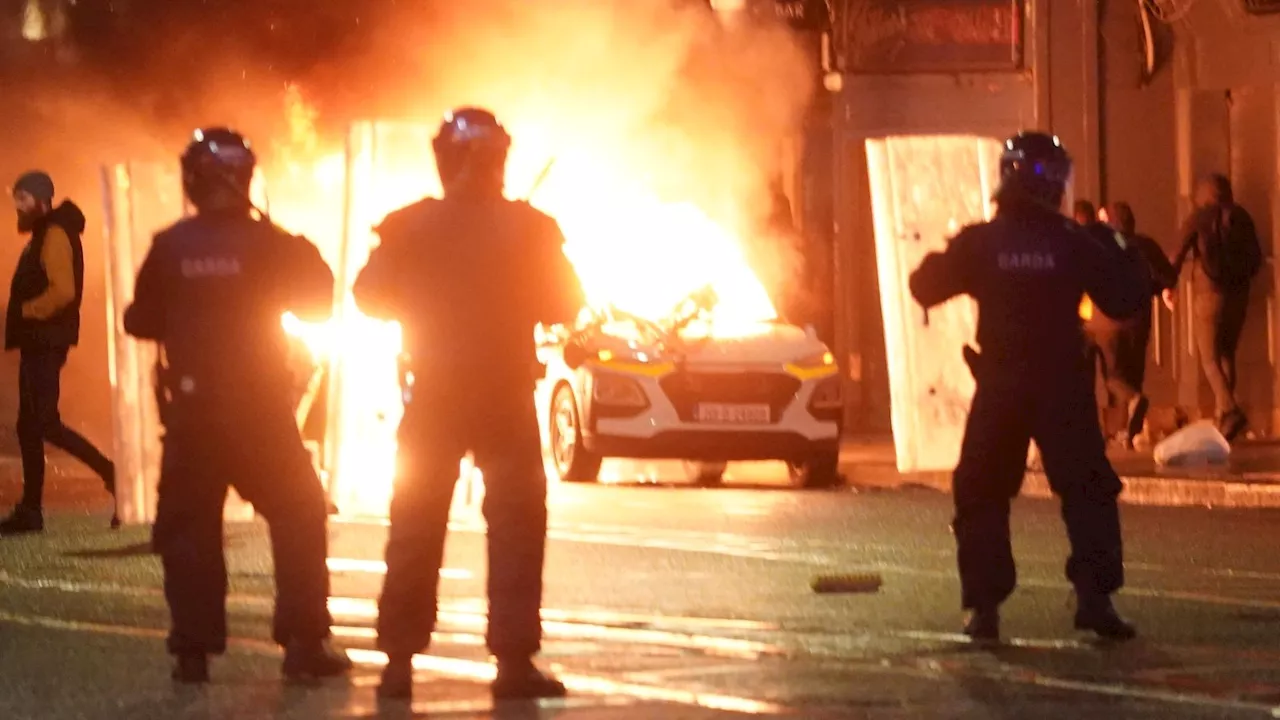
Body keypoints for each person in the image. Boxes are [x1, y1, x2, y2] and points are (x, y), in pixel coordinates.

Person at [354, 108, 583, 701]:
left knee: (416, 522)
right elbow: (565, 302)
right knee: (515, 526)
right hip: (504, 396)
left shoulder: (410, 226)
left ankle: (398, 663)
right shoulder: (530, 228)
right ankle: (512, 663)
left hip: (433, 395)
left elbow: (369, 297)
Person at [123, 128, 351, 684]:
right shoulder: (271, 243)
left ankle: (192, 653)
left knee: (189, 528)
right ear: (245, 175)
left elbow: (139, 320)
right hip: (260, 412)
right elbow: (320, 304)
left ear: (195, 178)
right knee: (299, 512)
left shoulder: (170, 245)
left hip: (193, 413)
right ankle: (303, 643)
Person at [909, 131, 1145, 643]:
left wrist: (948, 252)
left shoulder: (981, 242)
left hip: (1002, 385)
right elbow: (1126, 297)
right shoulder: (1075, 241)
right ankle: (1095, 600)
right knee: (1087, 492)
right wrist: (1118, 244)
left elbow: (923, 285)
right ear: (1056, 183)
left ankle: (984, 608)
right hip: (1062, 385)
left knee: (981, 491)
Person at [1, 171, 116, 535]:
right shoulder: (44, 233)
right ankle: (30, 511)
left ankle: (112, 475)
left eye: (21, 199)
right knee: (31, 425)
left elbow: (63, 291)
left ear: (40, 200)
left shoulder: (52, 234)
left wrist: (25, 312)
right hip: (41, 341)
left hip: (46, 340)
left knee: (43, 423)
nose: (16, 206)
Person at [1168, 174, 1263, 441]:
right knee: (1227, 355)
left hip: (1208, 293)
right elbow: (1256, 258)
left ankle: (1230, 410)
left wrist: (1167, 284)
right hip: (1239, 294)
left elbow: (1176, 254)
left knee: (1209, 358)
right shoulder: (1242, 217)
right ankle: (1225, 422)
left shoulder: (1199, 217)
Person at [1087, 202, 1176, 448]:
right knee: (1134, 373)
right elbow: (1168, 276)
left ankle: (1131, 410)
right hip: (1140, 320)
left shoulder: (1100, 245)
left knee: (1113, 376)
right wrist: (1155, 289)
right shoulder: (1145, 245)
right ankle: (1128, 432)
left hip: (1107, 321)